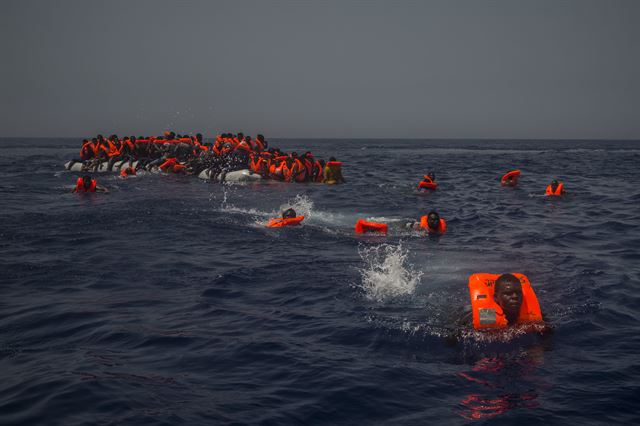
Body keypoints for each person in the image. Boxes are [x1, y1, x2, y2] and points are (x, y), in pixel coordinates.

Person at [461, 273, 547, 331]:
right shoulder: (485, 315)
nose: (515, 296)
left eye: (518, 293)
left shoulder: (534, 315)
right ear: (496, 297)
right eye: (508, 293)